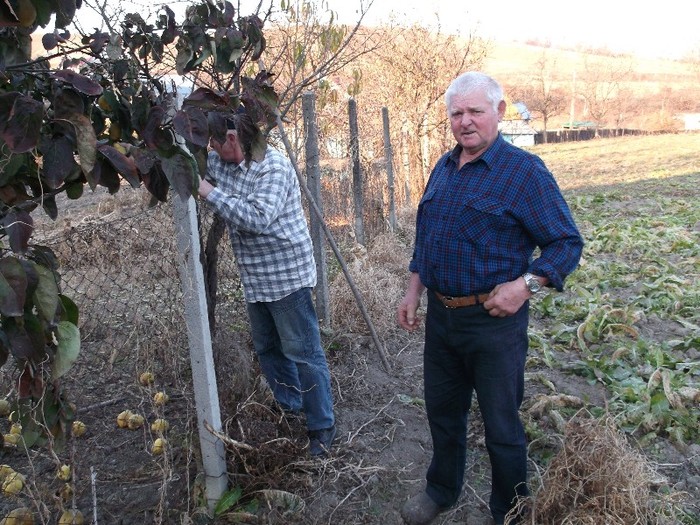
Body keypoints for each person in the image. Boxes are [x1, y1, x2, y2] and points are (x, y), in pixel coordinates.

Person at [396, 72, 584, 525]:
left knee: (502, 425)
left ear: (499, 112)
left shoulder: (523, 173)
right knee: (443, 413)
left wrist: (526, 286)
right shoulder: (444, 167)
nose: (465, 122)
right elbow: (429, 237)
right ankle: (441, 490)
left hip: (494, 322)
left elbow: (566, 243)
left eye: (475, 111)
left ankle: (511, 510)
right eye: (456, 113)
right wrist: (414, 288)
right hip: (443, 318)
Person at [198, 111, 336, 457]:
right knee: (268, 349)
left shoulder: (271, 166)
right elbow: (195, 168)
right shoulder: (219, 163)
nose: (211, 150)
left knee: (303, 352)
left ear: (232, 139)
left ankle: (322, 425)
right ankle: (291, 405)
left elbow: (258, 218)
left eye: (214, 142)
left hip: (287, 275)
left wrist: (205, 190)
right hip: (256, 278)